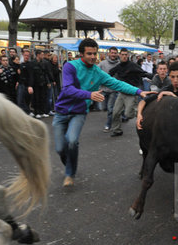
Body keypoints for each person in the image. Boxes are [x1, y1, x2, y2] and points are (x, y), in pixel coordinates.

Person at [53, 38, 155, 187]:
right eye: (89, 54)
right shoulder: (70, 66)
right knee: (60, 148)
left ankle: (70, 173)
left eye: (95, 53)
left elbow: (117, 84)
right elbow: (67, 89)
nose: (93, 57)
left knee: (72, 140)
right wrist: (89, 95)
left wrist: (139, 91)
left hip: (79, 112)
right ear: (81, 54)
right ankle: (69, 160)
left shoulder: (97, 72)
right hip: (61, 112)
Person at [136, 62, 178, 130]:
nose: (175, 80)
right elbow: (144, 101)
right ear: (169, 76)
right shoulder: (167, 88)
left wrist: (172, 95)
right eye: (172, 77)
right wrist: (139, 115)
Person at [109, 48, 150, 137]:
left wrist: (153, 76)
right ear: (119, 55)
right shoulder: (118, 66)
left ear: (128, 56)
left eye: (125, 55)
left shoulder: (133, 65)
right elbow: (109, 74)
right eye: (122, 54)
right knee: (115, 112)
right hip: (121, 93)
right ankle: (117, 130)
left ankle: (145, 117)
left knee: (129, 114)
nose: (124, 56)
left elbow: (143, 73)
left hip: (131, 93)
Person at [98, 47, 120, 132]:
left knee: (110, 109)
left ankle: (108, 124)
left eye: (115, 53)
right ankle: (117, 115)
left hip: (113, 91)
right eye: (112, 53)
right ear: (109, 53)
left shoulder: (119, 64)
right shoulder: (102, 64)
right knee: (103, 108)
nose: (113, 54)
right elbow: (95, 72)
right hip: (103, 90)